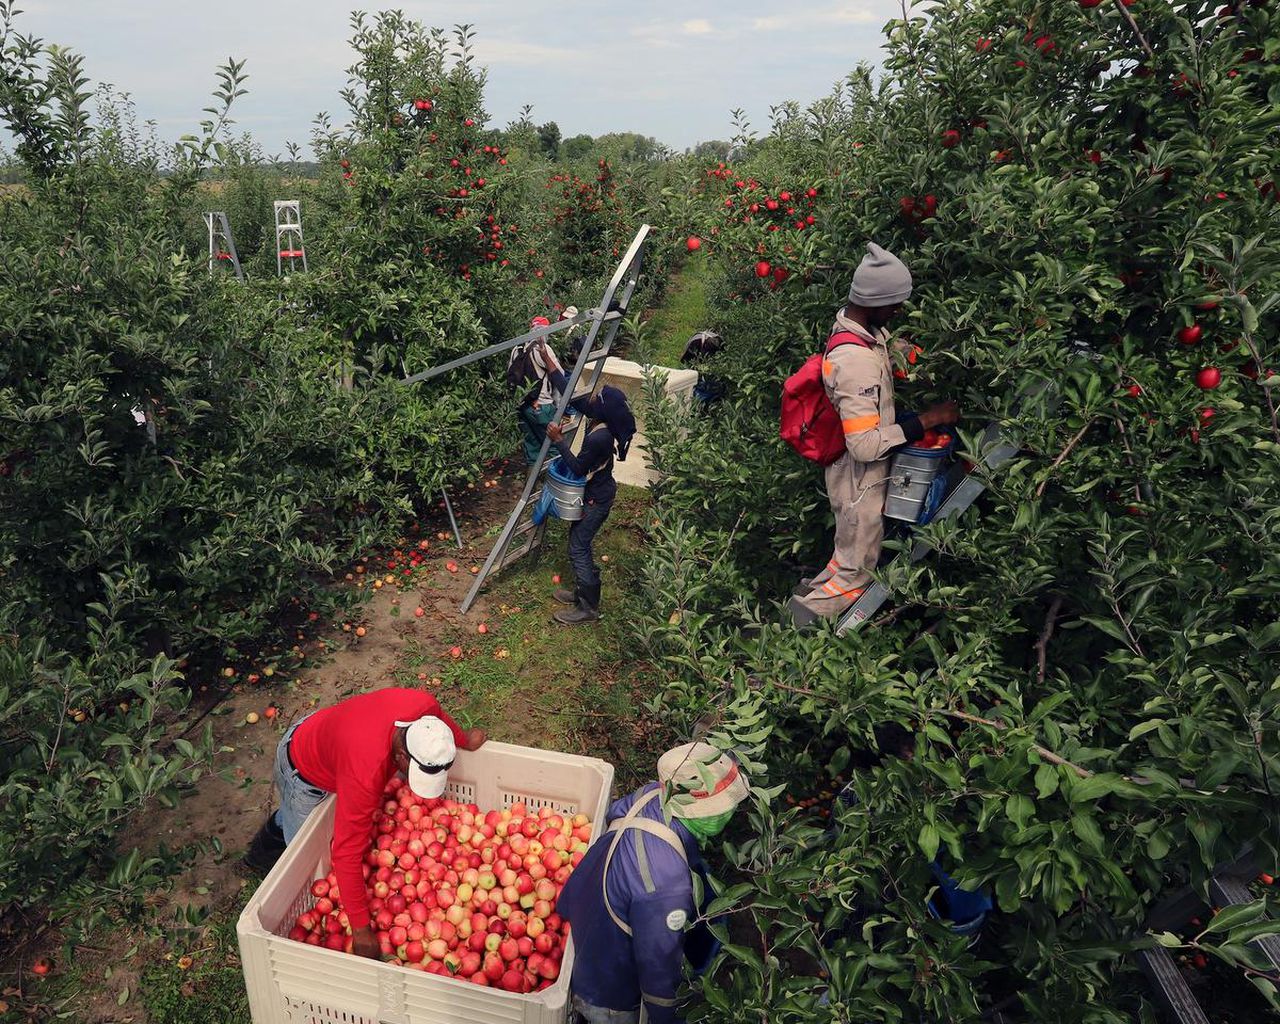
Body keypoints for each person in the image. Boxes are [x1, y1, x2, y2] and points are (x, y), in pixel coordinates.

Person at [242, 687, 486, 958]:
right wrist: (360, 930)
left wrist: (464, 739)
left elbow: (439, 718)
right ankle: (260, 856)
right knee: (307, 849)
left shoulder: (423, 707)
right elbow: (345, 854)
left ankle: (278, 829)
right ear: (402, 756)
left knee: (325, 825)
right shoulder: (366, 772)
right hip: (302, 770)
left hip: (330, 733)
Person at [789, 243, 959, 626]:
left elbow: (884, 358)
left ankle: (807, 597)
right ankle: (802, 631)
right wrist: (930, 419)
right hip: (858, 477)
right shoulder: (855, 361)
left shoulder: (861, 332)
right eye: (894, 303)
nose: (898, 311)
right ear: (876, 300)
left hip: (854, 474)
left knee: (846, 554)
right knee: (858, 570)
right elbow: (865, 446)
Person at [557, 742, 751, 1024]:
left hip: (584, 915)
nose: (730, 811)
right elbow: (658, 966)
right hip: (608, 990)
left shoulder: (649, 795)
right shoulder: (666, 885)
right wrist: (666, 1016)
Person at [540, 339, 636, 625]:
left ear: (602, 410)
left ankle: (588, 607)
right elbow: (569, 391)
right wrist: (548, 358)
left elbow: (580, 468)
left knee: (578, 545)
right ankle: (583, 591)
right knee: (578, 541)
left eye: (598, 397)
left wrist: (559, 442)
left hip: (598, 499)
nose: (592, 397)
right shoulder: (596, 414)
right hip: (596, 494)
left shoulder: (600, 438)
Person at [514, 315, 563, 466]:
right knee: (555, 447)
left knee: (533, 450)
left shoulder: (517, 348)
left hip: (524, 405)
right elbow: (559, 376)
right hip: (542, 405)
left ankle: (531, 486)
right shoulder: (544, 349)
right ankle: (554, 485)